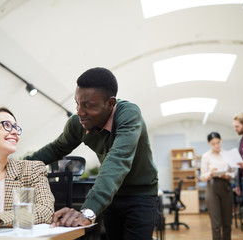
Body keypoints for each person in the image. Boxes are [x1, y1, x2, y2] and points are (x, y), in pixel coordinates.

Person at [25, 67, 158, 240]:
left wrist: (88, 211)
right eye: (77, 104)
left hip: (141, 194)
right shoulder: (77, 124)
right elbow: (55, 149)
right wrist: (17, 166)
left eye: (88, 106)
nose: (79, 112)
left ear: (110, 103)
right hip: (111, 196)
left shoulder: (128, 115)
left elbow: (118, 159)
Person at [200, 132, 236, 240]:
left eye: (218, 142)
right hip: (212, 187)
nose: (216, 145)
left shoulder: (228, 154)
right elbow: (202, 176)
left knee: (227, 221)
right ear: (209, 144)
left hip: (226, 186)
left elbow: (234, 173)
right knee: (216, 223)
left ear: (221, 141)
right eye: (213, 143)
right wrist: (210, 174)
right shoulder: (206, 156)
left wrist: (227, 175)